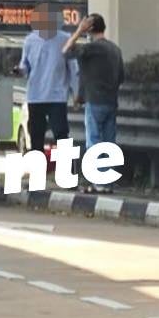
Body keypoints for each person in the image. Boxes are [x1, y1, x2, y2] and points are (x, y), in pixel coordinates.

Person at [63, 13, 125, 192]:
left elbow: (65, 52)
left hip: (94, 101)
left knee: (94, 141)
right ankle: (107, 182)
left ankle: (98, 181)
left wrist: (78, 31)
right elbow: (121, 77)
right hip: (111, 101)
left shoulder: (90, 49)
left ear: (89, 29)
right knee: (109, 142)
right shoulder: (115, 50)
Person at [18, 3, 79, 153]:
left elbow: (73, 68)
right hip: (35, 95)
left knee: (61, 134)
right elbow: (25, 65)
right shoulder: (30, 40)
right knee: (36, 136)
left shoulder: (65, 39)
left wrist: (77, 93)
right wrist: (20, 70)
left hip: (57, 95)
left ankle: (65, 173)